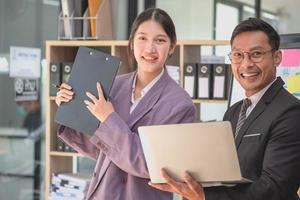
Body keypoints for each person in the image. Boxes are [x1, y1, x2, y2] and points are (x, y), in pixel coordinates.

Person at [150, 18, 300, 200]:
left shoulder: (291, 112)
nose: (246, 64)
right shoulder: (234, 111)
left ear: (277, 57)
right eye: (237, 55)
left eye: (256, 54)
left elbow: (274, 188)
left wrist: (205, 196)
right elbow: (226, 174)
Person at [55, 8, 196, 200]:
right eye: (142, 38)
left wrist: (108, 118)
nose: (150, 49)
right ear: (131, 44)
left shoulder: (181, 105)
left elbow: (153, 165)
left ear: (172, 47)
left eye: (160, 40)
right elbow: (101, 149)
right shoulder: (114, 84)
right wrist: (70, 108)